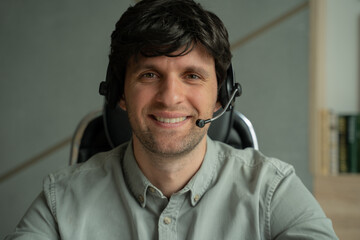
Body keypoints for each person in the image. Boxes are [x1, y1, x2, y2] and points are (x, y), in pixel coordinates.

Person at [5, 0, 338, 239]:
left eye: (192, 75)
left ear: (220, 95)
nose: (170, 97)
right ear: (120, 93)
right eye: (150, 74)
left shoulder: (272, 191)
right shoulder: (61, 200)